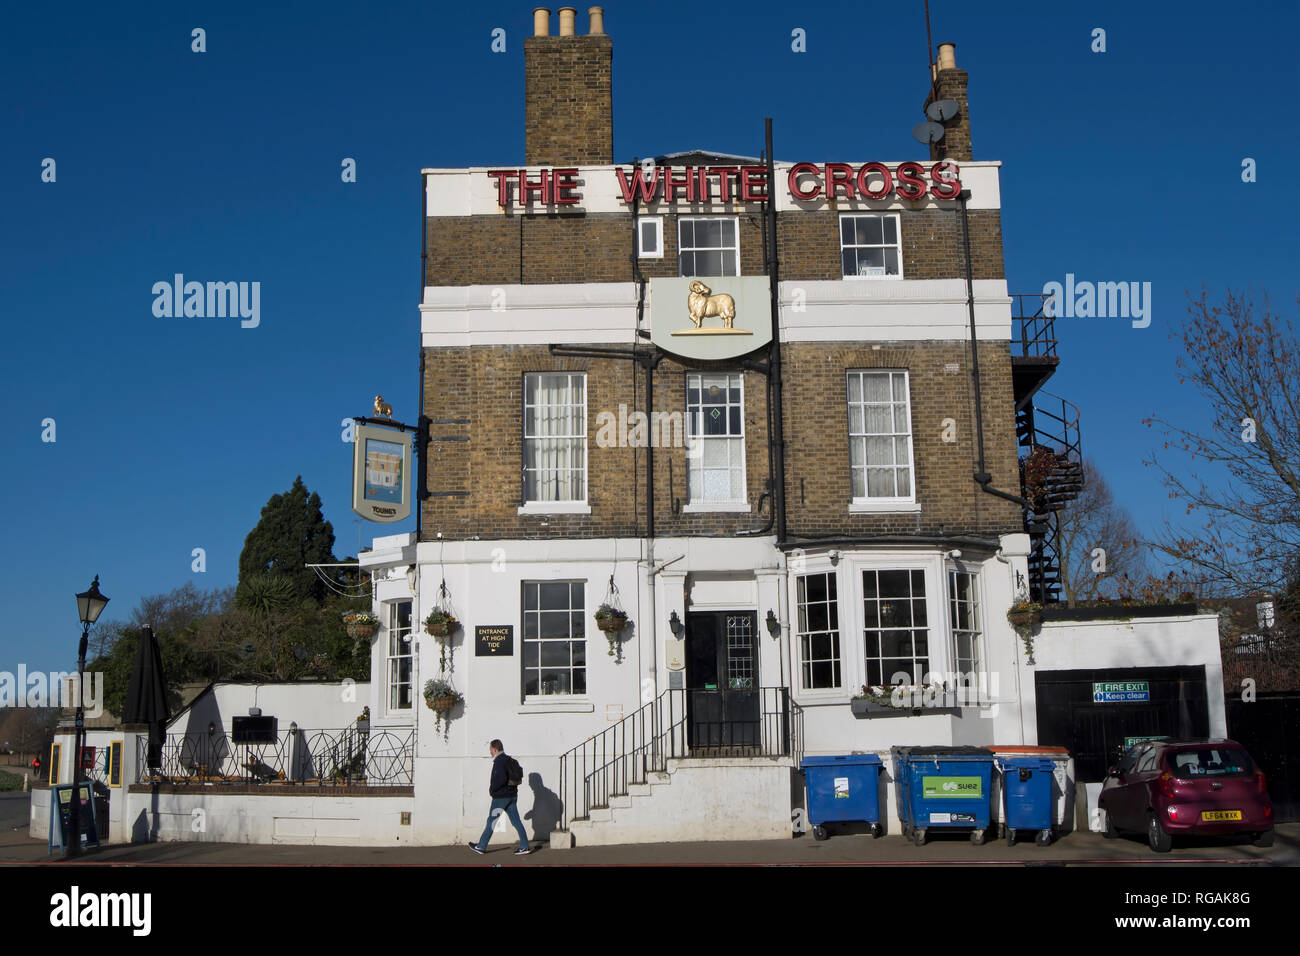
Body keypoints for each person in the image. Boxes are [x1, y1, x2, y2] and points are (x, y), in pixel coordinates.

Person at [469, 739, 531, 856]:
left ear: (495, 749)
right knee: (516, 821)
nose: (490, 752)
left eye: (491, 750)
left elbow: (500, 779)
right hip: (512, 796)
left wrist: (492, 791)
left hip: (501, 798)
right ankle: (524, 846)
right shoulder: (508, 759)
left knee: (491, 821)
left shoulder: (499, 761)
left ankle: (481, 846)